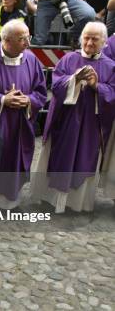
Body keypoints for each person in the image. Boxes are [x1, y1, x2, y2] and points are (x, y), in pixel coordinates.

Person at [31, 22, 115, 213]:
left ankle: (77, 203)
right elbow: (56, 84)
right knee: (59, 158)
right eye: (86, 37)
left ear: (104, 41)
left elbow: (112, 94)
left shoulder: (110, 67)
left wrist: (96, 86)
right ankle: (50, 199)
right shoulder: (69, 59)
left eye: (95, 38)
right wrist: (74, 79)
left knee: (85, 160)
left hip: (91, 127)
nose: (89, 42)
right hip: (66, 122)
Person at [0, 19, 47, 207]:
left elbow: (41, 91)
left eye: (28, 37)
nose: (28, 43)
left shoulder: (32, 59)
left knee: (14, 159)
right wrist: (3, 100)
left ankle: (9, 198)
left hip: (21, 124)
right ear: (7, 40)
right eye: (22, 39)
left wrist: (28, 100)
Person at [31, 0, 96, 47]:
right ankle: (27, 55)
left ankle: (74, 38)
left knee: (89, 14)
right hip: (46, 0)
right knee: (39, 41)